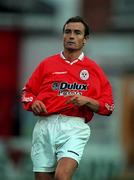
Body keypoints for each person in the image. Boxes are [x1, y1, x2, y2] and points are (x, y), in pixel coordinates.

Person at [21, 16, 114, 180]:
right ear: (63, 35)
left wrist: (87, 100)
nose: (71, 36)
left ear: (85, 39)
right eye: (67, 32)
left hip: (74, 127)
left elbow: (108, 106)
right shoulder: (47, 64)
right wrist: (33, 102)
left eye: (77, 33)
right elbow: (27, 93)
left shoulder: (93, 69)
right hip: (45, 126)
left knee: (61, 176)